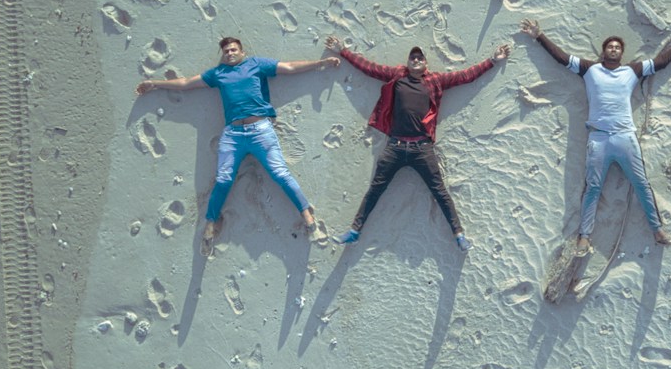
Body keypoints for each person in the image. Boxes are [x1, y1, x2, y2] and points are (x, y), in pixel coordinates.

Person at [519, 18, 671, 249]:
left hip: (626, 137)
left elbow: (661, 62)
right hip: (598, 138)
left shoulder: (632, 71)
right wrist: (539, 36)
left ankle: (657, 230)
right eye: (610, 46)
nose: (614, 49)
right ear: (604, 51)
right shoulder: (589, 70)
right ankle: (584, 237)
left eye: (617, 47)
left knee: (641, 184)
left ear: (622, 53)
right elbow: (561, 58)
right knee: (593, 187)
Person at [135, 35, 339, 244]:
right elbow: (187, 82)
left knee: (280, 173)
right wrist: (154, 84)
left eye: (234, 50)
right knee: (223, 180)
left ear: (242, 52)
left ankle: (306, 213)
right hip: (232, 135)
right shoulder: (218, 74)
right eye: (226, 52)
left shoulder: (256, 64)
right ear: (223, 56)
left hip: (260, 131)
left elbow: (288, 67)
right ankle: (211, 223)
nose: (230, 53)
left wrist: (320, 64)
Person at [324, 36, 511, 250]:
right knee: (375, 188)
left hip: (422, 149)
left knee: (439, 191)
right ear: (407, 63)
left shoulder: (435, 81)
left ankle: (459, 235)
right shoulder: (397, 76)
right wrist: (343, 51)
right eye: (412, 57)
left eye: (419, 57)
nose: (415, 60)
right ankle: (354, 231)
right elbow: (369, 68)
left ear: (425, 64)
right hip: (394, 147)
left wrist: (492, 61)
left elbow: (464, 76)